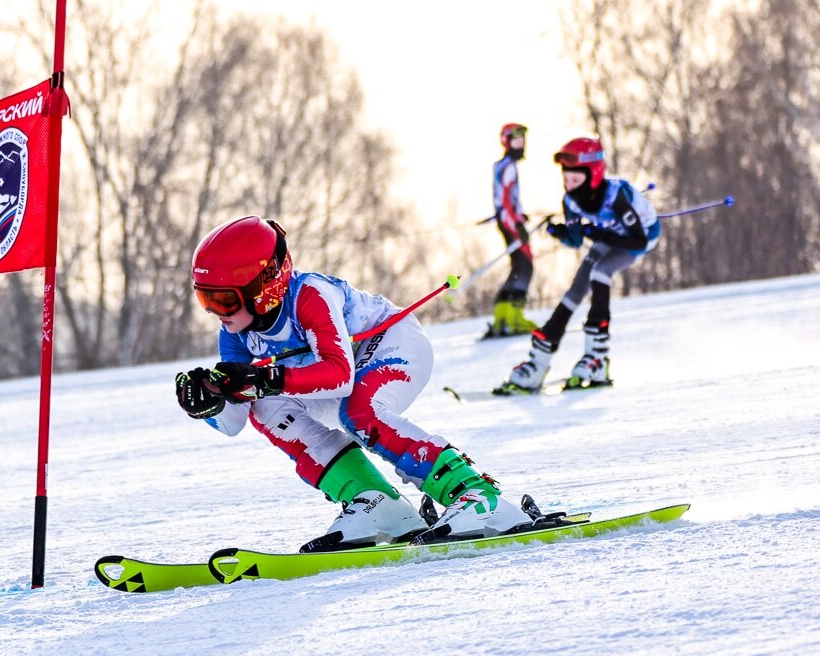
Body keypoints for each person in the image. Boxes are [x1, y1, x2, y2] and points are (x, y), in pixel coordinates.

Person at [176, 215, 540, 552]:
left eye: (222, 300)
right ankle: (378, 503)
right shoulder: (236, 335)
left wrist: (265, 378)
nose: (214, 312)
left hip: (393, 345)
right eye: (204, 297)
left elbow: (339, 374)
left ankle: (476, 495)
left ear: (264, 287)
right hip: (331, 378)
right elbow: (234, 421)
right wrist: (209, 402)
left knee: (359, 411)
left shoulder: (310, 296)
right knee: (265, 406)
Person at [495, 137, 660, 394]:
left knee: (600, 272)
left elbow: (637, 239)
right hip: (610, 238)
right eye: (566, 179)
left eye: (576, 180)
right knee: (577, 287)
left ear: (592, 174)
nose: (570, 186)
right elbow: (575, 240)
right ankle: (540, 359)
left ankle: (597, 357)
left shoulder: (617, 196)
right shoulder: (571, 201)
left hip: (639, 239)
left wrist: (598, 233)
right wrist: (559, 231)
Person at [485, 123, 538, 339]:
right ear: (506, 142)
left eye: (523, 141)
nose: (521, 145)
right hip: (510, 223)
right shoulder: (508, 167)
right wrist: (516, 223)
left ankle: (502, 318)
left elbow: (505, 199)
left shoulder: (501, 165)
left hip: (507, 220)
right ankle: (514, 317)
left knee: (517, 266)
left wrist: (519, 214)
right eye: (516, 141)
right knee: (525, 267)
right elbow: (506, 198)